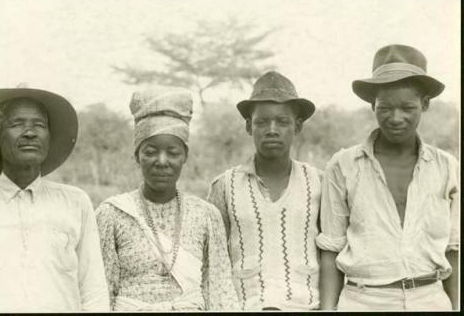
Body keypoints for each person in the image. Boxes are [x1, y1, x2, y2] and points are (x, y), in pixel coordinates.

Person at [317, 44, 459, 311]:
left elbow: (454, 249)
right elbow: (331, 249)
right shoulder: (344, 165)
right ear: (372, 105)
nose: (396, 118)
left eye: (407, 107)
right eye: (385, 108)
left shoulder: (447, 167)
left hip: (430, 299)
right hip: (363, 300)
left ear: (425, 104)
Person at [95, 88, 239, 311]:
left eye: (173, 152)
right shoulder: (112, 213)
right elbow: (102, 291)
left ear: (185, 157)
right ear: (137, 155)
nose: (162, 161)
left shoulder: (206, 215)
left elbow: (219, 289)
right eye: (150, 151)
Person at [0, 88, 110, 312]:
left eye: (39, 125)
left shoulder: (75, 202)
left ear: (49, 140)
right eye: (17, 124)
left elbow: (93, 290)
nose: (30, 133)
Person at [207, 71, 322, 310]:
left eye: (282, 121)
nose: (272, 129)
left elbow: (331, 254)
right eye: (262, 122)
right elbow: (214, 262)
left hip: (305, 306)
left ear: (297, 126)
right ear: (249, 126)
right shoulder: (225, 186)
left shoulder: (319, 182)